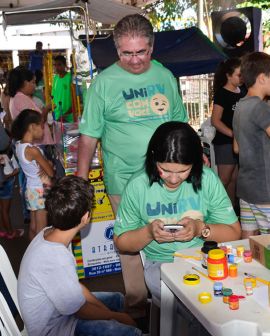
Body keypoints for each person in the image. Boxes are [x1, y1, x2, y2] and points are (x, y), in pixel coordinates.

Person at [78, 13, 188, 318]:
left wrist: (193, 157)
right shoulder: (104, 83)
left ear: (151, 48)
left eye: (141, 52)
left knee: (171, 237)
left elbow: (179, 124)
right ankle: (138, 310)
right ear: (117, 50)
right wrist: (80, 180)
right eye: (127, 53)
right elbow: (88, 137)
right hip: (124, 179)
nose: (135, 60)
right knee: (129, 245)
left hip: (166, 179)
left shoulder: (164, 76)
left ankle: (176, 303)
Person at [114, 121, 241, 301]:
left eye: (183, 171)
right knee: (190, 300)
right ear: (153, 158)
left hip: (204, 257)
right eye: (164, 170)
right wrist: (149, 233)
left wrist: (200, 229)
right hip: (161, 263)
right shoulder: (138, 186)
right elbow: (121, 242)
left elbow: (234, 233)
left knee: (228, 293)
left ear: (196, 163)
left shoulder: (208, 180)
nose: (173, 179)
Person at [17, 175, 142, 336]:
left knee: (117, 300)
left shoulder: (51, 234)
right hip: (53, 330)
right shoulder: (57, 258)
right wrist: (114, 317)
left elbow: (74, 287)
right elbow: (80, 310)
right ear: (85, 217)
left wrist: (111, 315)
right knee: (130, 332)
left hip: (59, 313)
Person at [233, 52, 270, 238]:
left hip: (246, 187)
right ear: (262, 78)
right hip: (265, 190)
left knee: (249, 243)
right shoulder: (261, 107)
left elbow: (236, 148)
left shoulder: (240, 106)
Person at [12, 109, 54, 240]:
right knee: (42, 231)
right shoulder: (33, 150)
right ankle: (40, 258)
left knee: (33, 227)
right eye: (41, 125)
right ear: (32, 126)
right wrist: (48, 163)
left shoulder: (19, 145)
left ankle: (32, 255)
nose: (43, 129)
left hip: (30, 189)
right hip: (40, 189)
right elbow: (51, 172)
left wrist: (44, 163)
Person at [211, 58, 245, 209]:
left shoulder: (242, 92)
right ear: (228, 75)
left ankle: (231, 211)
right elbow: (215, 121)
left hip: (238, 142)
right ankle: (213, 208)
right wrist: (233, 135)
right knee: (224, 179)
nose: (242, 78)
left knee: (234, 179)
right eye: (239, 75)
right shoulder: (222, 94)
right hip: (225, 142)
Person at [8, 66, 53, 145]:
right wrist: (46, 109)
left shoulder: (20, 97)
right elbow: (37, 122)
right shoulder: (20, 99)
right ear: (25, 83)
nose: (35, 86)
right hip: (38, 145)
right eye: (33, 82)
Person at [51, 55, 73, 122]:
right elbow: (53, 97)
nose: (56, 67)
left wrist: (65, 115)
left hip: (68, 118)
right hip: (57, 116)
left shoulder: (70, 78)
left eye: (59, 65)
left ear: (65, 65)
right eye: (55, 65)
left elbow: (75, 99)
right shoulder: (55, 78)